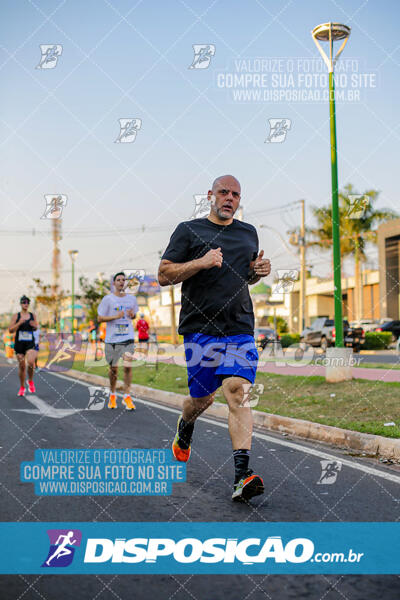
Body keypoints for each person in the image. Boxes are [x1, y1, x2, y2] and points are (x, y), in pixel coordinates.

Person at [158, 175, 271, 502]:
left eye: (235, 194)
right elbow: (164, 274)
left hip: (239, 327)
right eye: (223, 192)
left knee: (237, 391)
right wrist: (201, 262)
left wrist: (257, 272)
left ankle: (241, 476)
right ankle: (185, 425)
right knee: (202, 400)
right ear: (210, 196)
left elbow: (244, 275)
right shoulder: (188, 230)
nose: (229, 198)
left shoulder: (247, 232)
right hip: (200, 329)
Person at [97, 272, 138, 410]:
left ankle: (127, 396)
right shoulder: (108, 299)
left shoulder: (132, 299)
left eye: (123, 280)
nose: (121, 282)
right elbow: (100, 318)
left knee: (128, 366)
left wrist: (133, 315)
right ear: (114, 283)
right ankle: (113, 394)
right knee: (113, 369)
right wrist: (115, 316)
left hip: (128, 337)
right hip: (112, 339)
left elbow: (134, 315)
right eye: (118, 280)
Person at [9, 295, 39, 396]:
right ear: (21, 304)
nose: (26, 304)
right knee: (22, 366)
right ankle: (22, 387)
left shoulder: (32, 315)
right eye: (24, 302)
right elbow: (10, 330)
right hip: (19, 343)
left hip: (30, 342)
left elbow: (36, 327)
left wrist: (34, 325)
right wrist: (19, 323)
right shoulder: (16, 316)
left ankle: (30, 380)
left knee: (31, 362)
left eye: (27, 302)